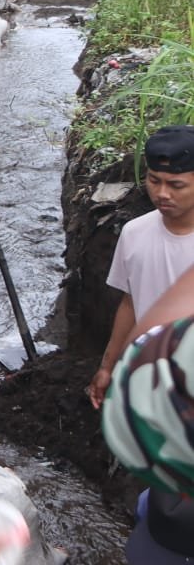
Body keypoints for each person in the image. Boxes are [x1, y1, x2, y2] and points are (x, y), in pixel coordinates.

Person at [87, 126, 194, 410]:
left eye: (176, 185)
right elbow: (130, 303)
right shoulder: (134, 233)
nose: (162, 193)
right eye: (154, 181)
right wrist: (107, 367)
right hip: (148, 381)